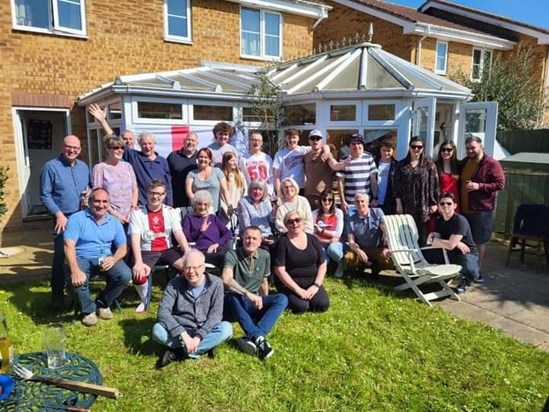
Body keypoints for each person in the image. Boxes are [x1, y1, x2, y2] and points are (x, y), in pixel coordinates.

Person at [152, 249, 233, 368]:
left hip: (205, 329)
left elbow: (216, 315)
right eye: (187, 267)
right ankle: (205, 347)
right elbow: (163, 312)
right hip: (180, 331)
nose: (191, 272)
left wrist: (198, 337)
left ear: (203, 268)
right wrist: (183, 334)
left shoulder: (216, 283)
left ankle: (179, 352)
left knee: (227, 328)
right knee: (157, 330)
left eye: (195, 267)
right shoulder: (174, 284)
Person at [64, 189, 132, 326]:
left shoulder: (114, 222)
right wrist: (75, 270)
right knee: (76, 281)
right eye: (97, 201)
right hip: (81, 257)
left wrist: (113, 259)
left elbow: (123, 248)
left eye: (104, 202)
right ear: (89, 202)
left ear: (109, 204)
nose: (101, 205)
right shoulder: (77, 218)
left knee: (125, 275)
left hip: (105, 258)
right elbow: (68, 246)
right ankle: (88, 310)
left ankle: (103, 303)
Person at [40, 135, 91, 309]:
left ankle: (78, 291)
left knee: (80, 254)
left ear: (80, 149)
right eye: (69, 147)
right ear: (63, 147)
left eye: (76, 148)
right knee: (61, 257)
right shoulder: (51, 167)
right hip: (63, 218)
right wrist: (58, 213)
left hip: (82, 216)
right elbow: (45, 195)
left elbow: (89, 188)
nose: (72, 151)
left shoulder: (84, 167)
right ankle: (57, 296)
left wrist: (88, 194)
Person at [222, 226, 288, 360]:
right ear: (242, 239)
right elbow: (226, 279)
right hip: (234, 304)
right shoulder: (232, 254)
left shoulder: (265, 255)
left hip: (253, 302)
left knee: (282, 298)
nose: (250, 241)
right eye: (247, 238)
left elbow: (264, 281)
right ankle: (258, 337)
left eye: (254, 238)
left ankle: (255, 336)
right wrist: (248, 294)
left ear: (260, 242)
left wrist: (264, 300)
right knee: (233, 296)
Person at [87, 104, 172, 206]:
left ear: (155, 143)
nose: (147, 146)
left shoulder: (163, 161)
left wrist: (170, 204)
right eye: (144, 144)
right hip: (142, 205)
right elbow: (115, 140)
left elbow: (168, 185)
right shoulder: (134, 157)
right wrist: (102, 121)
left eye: (150, 143)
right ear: (139, 144)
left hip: (160, 205)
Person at [128, 180, 191, 313]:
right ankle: (144, 299)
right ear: (147, 193)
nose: (156, 197)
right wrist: (138, 262)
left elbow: (178, 233)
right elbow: (135, 237)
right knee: (139, 274)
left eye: (159, 194)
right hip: (146, 251)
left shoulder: (171, 211)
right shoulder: (137, 212)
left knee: (188, 267)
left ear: (164, 195)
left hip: (166, 250)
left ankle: (180, 296)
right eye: (152, 193)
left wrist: (187, 252)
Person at [459, 135, 505, 277]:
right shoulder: (465, 162)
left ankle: (477, 271)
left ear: (481, 147)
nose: (470, 150)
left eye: (473, 147)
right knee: (465, 241)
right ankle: (466, 269)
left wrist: (479, 186)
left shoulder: (492, 163)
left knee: (479, 242)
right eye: (467, 148)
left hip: (481, 210)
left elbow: (500, 184)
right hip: (464, 209)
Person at [274, 211, 329, 314]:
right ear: (286, 225)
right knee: (301, 307)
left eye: (297, 220)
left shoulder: (313, 239)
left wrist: (316, 286)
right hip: (290, 285)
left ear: (303, 222)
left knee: (322, 305)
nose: (294, 224)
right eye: (290, 222)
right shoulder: (282, 242)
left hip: (311, 282)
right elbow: (279, 270)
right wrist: (298, 290)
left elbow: (322, 264)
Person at [427, 192, 481, 294]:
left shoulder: (460, 221)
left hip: (465, 253)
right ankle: (444, 276)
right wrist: (455, 243)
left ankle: (467, 280)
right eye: (442, 204)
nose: (445, 206)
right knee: (425, 254)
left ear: (455, 206)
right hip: (447, 251)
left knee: (471, 271)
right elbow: (431, 241)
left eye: (449, 203)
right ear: (438, 206)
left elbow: (445, 243)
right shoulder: (439, 220)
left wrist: (437, 240)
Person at [393, 136, 439, 245]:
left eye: (419, 147)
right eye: (413, 146)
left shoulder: (429, 164)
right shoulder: (401, 165)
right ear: (409, 147)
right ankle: (408, 258)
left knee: (422, 233)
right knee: (406, 232)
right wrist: (398, 203)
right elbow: (396, 185)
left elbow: (434, 184)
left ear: (423, 148)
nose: (416, 149)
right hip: (406, 204)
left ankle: (422, 258)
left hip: (423, 204)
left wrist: (434, 202)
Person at [344, 192, 393, 277]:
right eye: (357, 201)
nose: (360, 204)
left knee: (388, 260)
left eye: (362, 201)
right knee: (349, 257)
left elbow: (385, 228)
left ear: (368, 203)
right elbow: (351, 240)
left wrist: (387, 245)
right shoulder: (351, 219)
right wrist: (358, 250)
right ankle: (359, 269)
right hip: (362, 248)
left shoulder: (377, 212)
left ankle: (375, 270)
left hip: (377, 249)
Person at [92, 135, 138, 225]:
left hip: (130, 216)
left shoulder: (128, 166)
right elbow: (98, 194)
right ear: (108, 150)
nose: (120, 150)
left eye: (122, 148)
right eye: (116, 148)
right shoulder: (100, 168)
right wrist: (116, 215)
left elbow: (134, 190)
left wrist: (132, 210)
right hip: (109, 216)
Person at [273, 128, 330, 196]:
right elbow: (276, 177)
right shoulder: (280, 154)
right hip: (286, 189)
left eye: (294, 137)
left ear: (298, 138)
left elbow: (323, 146)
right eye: (289, 138)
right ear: (286, 139)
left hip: (300, 189)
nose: (292, 140)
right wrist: (279, 193)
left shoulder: (303, 150)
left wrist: (326, 152)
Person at [182, 190, 232, 267]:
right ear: (195, 204)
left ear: (209, 206)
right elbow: (186, 238)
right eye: (199, 204)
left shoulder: (213, 218)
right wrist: (200, 231)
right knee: (226, 260)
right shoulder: (189, 218)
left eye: (205, 204)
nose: (202, 207)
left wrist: (217, 244)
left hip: (219, 249)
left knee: (230, 258)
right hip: (202, 252)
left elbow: (228, 233)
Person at [336, 133, 379, 213]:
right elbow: (340, 182)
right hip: (350, 204)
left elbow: (373, 181)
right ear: (349, 146)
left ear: (363, 145)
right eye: (353, 144)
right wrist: (342, 201)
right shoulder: (344, 160)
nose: (356, 146)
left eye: (359, 143)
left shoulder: (369, 159)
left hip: (366, 203)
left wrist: (375, 198)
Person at [185, 148, 229, 214]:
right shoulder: (191, 173)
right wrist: (199, 203)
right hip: (197, 211)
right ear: (197, 158)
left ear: (210, 159)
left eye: (206, 157)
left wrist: (229, 205)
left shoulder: (217, 172)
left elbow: (225, 190)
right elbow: (188, 192)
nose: (203, 159)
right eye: (201, 157)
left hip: (215, 210)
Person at [312, 190, 345, 278]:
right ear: (320, 200)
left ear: (333, 201)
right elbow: (312, 234)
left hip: (334, 243)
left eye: (330, 200)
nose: (327, 202)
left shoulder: (338, 213)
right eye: (324, 199)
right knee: (324, 260)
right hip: (320, 243)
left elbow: (338, 233)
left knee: (334, 250)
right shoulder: (315, 213)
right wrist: (328, 240)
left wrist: (322, 231)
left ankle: (340, 264)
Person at [237, 180, 276, 249]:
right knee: (265, 250)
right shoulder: (243, 202)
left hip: (267, 234)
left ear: (264, 191)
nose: (257, 192)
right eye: (255, 189)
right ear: (250, 190)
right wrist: (260, 238)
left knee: (278, 247)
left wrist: (276, 209)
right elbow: (246, 225)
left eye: (260, 189)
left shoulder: (266, 201)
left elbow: (272, 219)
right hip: (250, 236)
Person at [303, 130, 336, 210]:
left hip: (324, 196)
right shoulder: (305, 156)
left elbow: (335, 165)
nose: (315, 141)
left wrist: (344, 163)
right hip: (308, 195)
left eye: (317, 138)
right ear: (309, 141)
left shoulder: (326, 154)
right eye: (312, 138)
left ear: (321, 141)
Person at [167, 132, 198, 208]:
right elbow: (166, 177)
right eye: (188, 140)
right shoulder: (173, 156)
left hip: (196, 201)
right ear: (184, 141)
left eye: (193, 140)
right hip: (176, 200)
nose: (190, 142)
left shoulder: (201, 157)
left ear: (197, 143)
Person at [239, 130, 274, 194]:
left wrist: (270, 191)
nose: (256, 142)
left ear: (261, 142)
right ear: (250, 141)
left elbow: (271, 176)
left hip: (265, 192)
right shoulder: (243, 159)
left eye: (258, 140)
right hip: (250, 193)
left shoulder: (267, 158)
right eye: (254, 140)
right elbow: (242, 177)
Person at [220, 151, 247, 227]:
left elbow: (244, 192)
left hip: (237, 209)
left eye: (235, 160)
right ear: (226, 162)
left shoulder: (240, 175)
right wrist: (226, 208)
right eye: (232, 161)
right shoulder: (221, 176)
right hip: (225, 210)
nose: (234, 163)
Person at [435, 139, 460, 211]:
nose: (446, 152)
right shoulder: (435, 166)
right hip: (440, 201)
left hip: (454, 201)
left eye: (449, 150)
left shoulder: (459, 165)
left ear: (453, 151)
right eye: (443, 149)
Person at [374, 140, 397, 215]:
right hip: (375, 201)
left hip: (390, 202)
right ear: (380, 150)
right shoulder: (373, 163)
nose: (386, 153)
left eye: (388, 150)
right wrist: (373, 198)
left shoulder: (397, 166)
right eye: (384, 150)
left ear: (393, 151)